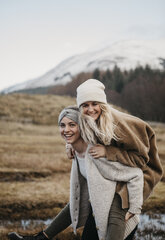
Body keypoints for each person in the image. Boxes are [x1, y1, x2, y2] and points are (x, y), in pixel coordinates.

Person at [8, 106, 145, 240]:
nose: (66, 130)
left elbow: (135, 174)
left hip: (120, 217)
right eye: (62, 125)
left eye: (72, 125)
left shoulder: (96, 154)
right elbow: (77, 200)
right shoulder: (78, 154)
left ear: (81, 127)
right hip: (98, 211)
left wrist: (134, 209)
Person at [66, 78, 163, 238]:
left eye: (94, 103)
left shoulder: (120, 124)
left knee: (116, 217)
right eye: (85, 105)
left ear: (102, 104)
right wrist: (70, 145)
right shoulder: (90, 120)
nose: (90, 109)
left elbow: (141, 161)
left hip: (143, 173)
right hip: (119, 173)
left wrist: (108, 152)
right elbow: (79, 132)